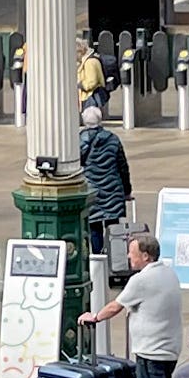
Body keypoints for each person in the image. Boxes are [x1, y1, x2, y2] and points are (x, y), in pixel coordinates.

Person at [83, 233, 182, 378]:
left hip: (151, 351)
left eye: (132, 252)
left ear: (145, 256)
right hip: (169, 348)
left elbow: (115, 306)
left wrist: (95, 316)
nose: (128, 256)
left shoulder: (141, 280)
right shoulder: (168, 273)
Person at [79, 107, 133, 269]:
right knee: (113, 228)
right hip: (112, 191)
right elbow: (123, 167)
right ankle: (115, 263)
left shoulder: (79, 140)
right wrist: (126, 190)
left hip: (92, 192)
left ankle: (98, 263)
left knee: (94, 228)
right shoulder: (113, 139)